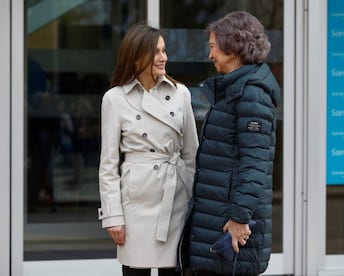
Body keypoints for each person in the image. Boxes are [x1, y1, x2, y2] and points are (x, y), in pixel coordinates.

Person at [180, 11, 281, 275]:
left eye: (213, 47)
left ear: (232, 48)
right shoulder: (236, 90)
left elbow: (255, 163)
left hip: (231, 226)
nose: (210, 55)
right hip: (218, 216)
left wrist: (239, 218)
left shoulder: (252, 94)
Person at [98, 24, 199, 276]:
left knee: (174, 270)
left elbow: (191, 154)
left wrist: (192, 198)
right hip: (137, 203)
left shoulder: (181, 94)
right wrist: (112, 216)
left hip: (175, 197)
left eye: (164, 50)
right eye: (156, 52)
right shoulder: (115, 98)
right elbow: (108, 166)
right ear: (135, 56)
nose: (163, 57)